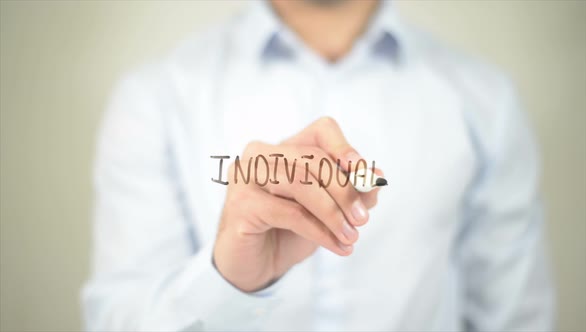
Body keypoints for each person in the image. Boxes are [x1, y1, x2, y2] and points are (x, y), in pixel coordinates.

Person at [82, 0, 554, 330]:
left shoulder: (486, 102)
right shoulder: (155, 98)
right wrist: (227, 281)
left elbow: (515, 320)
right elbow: (118, 322)